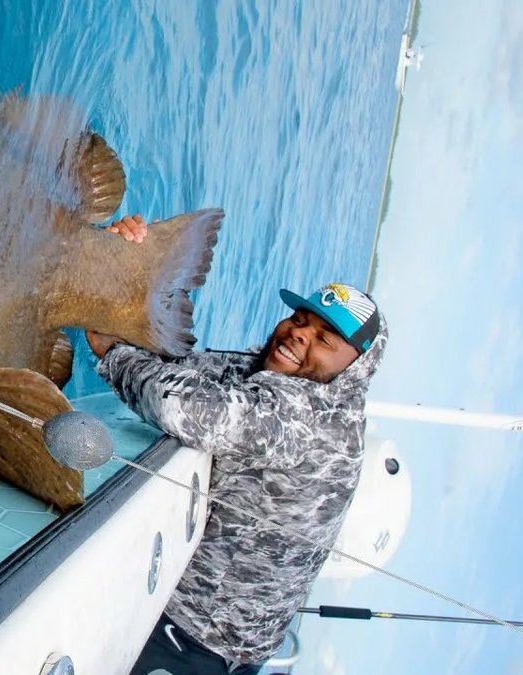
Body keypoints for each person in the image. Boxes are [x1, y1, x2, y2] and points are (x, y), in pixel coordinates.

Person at [89, 215, 389, 675]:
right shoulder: (277, 373)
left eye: (324, 339)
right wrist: (121, 264)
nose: (298, 333)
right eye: (299, 318)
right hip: (184, 605)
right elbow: (180, 367)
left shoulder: (311, 421)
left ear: (351, 369)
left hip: (200, 641)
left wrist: (112, 351)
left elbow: (179, 407)